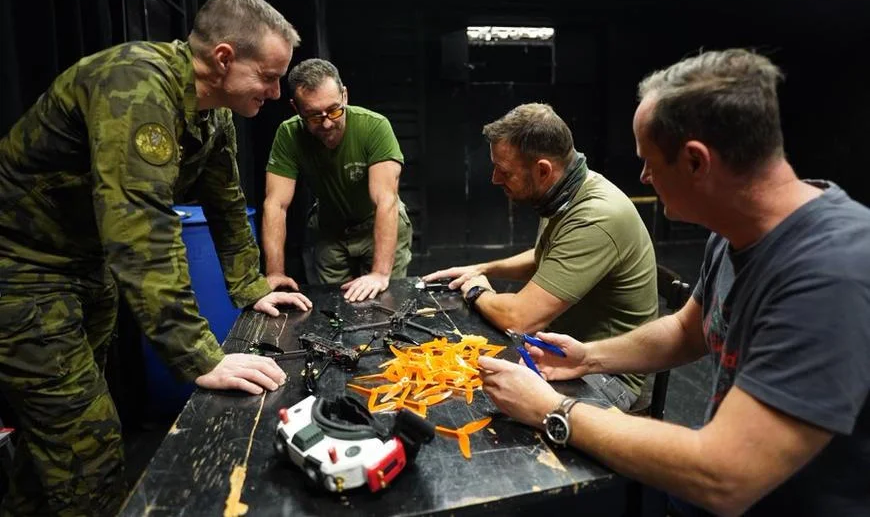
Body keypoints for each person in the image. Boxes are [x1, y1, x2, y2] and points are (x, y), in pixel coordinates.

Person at [478, 49, 870, 515]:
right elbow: (688, 329)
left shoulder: (831, 271)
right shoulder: (735, 231)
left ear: (695, 162)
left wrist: (553, 410)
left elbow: (726, 475)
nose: (643, 176)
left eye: (648, 161)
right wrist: (588, 358)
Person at [0, 0, 313, 516]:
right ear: (223, 58)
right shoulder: (137, 84)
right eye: (269, 75)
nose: (279, 91)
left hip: (86, 269)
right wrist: (199, 355)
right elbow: (140, 229)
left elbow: (226, 203)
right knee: (87, 445)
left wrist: (250, 287)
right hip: (22, 271)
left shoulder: (212, 114)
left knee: (50, 436)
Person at [423, 103, 658, 411]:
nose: (495, 178)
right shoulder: (564, 192)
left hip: (606, 374)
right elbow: (546, 256)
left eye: (505, 171)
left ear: (543, 170)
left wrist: (477, 290)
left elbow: (519, 318)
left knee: (477, 406)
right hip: (563, 348)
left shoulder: (595, 216)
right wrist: (482, 267)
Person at [263, 58, 412, 302]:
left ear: (344, 95)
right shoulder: (289, 134)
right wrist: (275, 273)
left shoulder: (374, 127)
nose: (327, 122)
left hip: (377, 222)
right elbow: (275, 205)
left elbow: (386, 200)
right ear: (296, 108)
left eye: (334, 110)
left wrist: (380, 273)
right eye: (313, 116)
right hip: (329, 229)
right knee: (332, 307)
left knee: (384, 303)